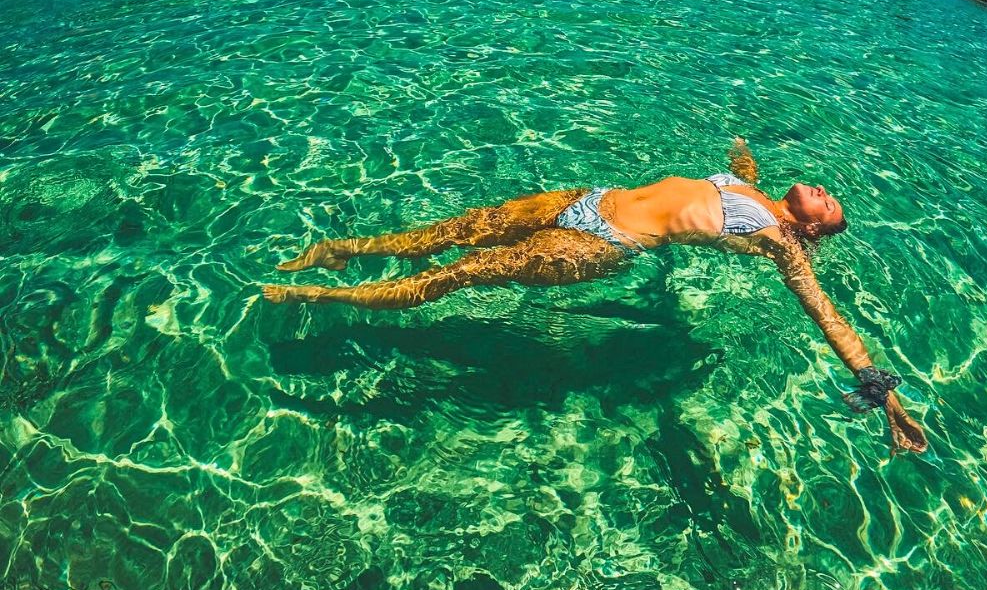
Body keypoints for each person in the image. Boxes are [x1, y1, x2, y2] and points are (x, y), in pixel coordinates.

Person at [263, 138, 928, 454]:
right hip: (589, 198)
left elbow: (828, 319)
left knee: (463, 272)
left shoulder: (783, 245)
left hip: (601, 246)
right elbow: (724, 186)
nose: (824, 191)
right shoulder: (754, 188)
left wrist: (885, 397)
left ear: (811, 229)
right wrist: (744, 159)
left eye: (829, 206)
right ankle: (343, 252)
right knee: (455, 230)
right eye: (828, 193)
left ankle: (321, 294)